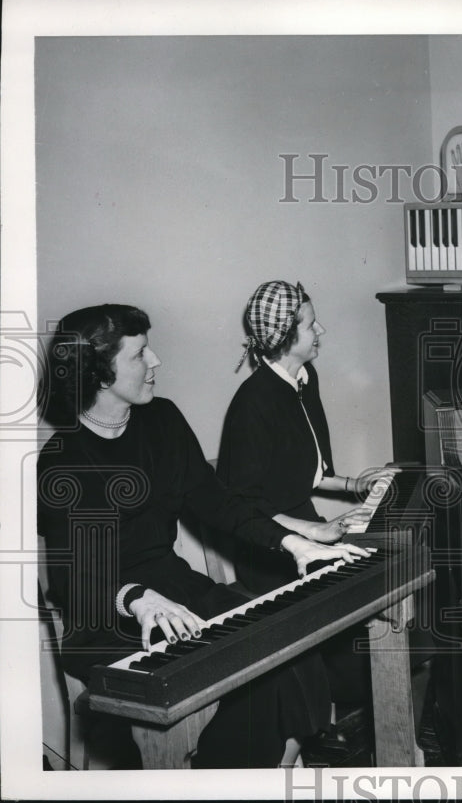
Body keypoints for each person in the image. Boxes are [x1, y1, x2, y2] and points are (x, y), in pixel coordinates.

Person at [36, 304, 340, 768]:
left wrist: (291, 542)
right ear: (98, 373)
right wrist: (136, 597)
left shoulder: (163, 419)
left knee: (287, 644)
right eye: (139, 354)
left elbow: (217, 502)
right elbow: (70, 580)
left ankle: (251, 775)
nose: (155, 360)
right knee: (241, 670)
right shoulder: (63, 460)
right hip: (106, 613)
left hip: (177, 587)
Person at [218, 280, 394, 596]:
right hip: (266, 546)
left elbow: (309, 471)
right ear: (286, 336)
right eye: (312, 325)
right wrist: (315, 530)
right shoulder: (252, 403)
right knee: (359, 586)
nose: (320, 330)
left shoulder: (304, 377)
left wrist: (356, 484)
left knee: (381, 563)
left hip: (303, 520)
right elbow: (245, 507)